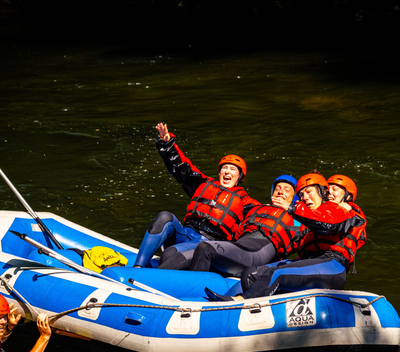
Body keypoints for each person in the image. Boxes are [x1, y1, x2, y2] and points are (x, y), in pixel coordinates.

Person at [205, 172, 366, 300]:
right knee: (252, 273)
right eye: (302, 195)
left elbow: (327, 224)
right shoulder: (308, 219)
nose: (330, 193)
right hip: (309, 262)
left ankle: (239, 301)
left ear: (348, 196)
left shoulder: (347, 211)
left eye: (334, 190)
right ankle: (231, 300)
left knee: (277, 274)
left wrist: (292, 209)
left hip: (332, 263)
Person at [132, 123, 259, 269]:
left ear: (239, 177)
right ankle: (138, 268)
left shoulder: (245, 202)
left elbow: (269, 216)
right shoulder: (203, 184)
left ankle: (156, 275)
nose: (227, 172)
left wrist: (290, 208)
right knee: (165, 216)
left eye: (232, 169)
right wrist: (168, 143)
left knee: (169, 254)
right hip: (185, 234)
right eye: (224, 168)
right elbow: (181, 167)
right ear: (219, 173)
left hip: (208, 246)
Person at [185, 175, 300, 276]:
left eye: (286, 190)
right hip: (238, 250)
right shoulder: (257, 209)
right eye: (277, 189)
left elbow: (315, 224)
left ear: (294, 198)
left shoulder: (296, 220)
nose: (280, 192)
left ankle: (190, 289)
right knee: (176, 254)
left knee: (206, 248)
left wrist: (292, 209)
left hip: (254, 257)